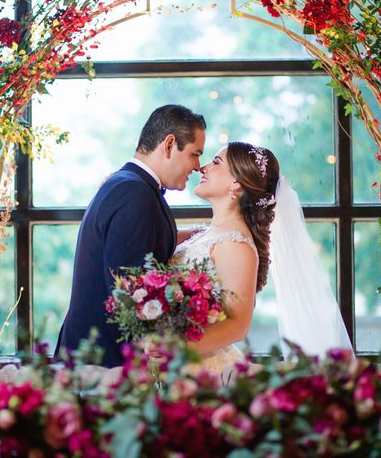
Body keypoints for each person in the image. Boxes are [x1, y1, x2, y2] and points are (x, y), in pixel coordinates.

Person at [174, 141, 353, 374]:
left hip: (201, 371)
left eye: (216, 162)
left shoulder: (235, 244)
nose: (203, 167)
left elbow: (238, 326)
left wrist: (176, 347)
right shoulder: (207, 233)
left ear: (236, 185)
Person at [55, 104, 206, 367]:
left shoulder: (131, 186)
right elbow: (130, 290)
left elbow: (145, 242)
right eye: (195, 154)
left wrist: (199, 236)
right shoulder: (134, 194)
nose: (198, 166)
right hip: (101, 364)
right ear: (169, 145)